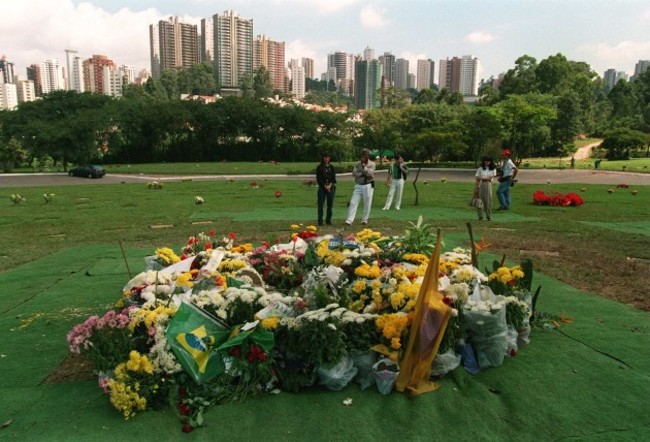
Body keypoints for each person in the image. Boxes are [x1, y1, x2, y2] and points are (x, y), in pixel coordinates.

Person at [345, 148, 376, 225]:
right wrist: (362, 173)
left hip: (368, 185)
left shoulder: (372, 164)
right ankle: (349, 220)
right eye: (363, 155)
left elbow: (370, 174)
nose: (364, 156)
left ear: (368, 156)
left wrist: (363, 167)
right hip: (358, 185)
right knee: (353, 202)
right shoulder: (357, 163)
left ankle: (364, 219)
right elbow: (354, 174)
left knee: (367, 203)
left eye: (365, 155)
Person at [316, 152, 336, 226]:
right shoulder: (319, 167)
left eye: (327, 157)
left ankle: (328, 220)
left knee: (330, 204)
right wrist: (325, 186)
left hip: (331, 187)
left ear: (329, 158)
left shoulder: (332, 167)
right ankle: (320, 221)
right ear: (323, 158)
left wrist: (330, 185)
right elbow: (319, 179)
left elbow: (333, 178)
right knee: (320, 204)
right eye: (325, 157)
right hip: (322, 187)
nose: (326, 159)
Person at [475, 156, 496, 220]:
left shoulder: (493, 169)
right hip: (480, 184)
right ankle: (480, 216)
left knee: (488, 201)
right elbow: (477, 178)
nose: (486, 162)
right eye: (485, 161)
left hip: (488, 185)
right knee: (479, 200)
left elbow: (490, 179)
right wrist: (476, 187)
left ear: (490, 161)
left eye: (488, 161)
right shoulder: (480, 168)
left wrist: (482, 178)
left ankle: (488, 216)